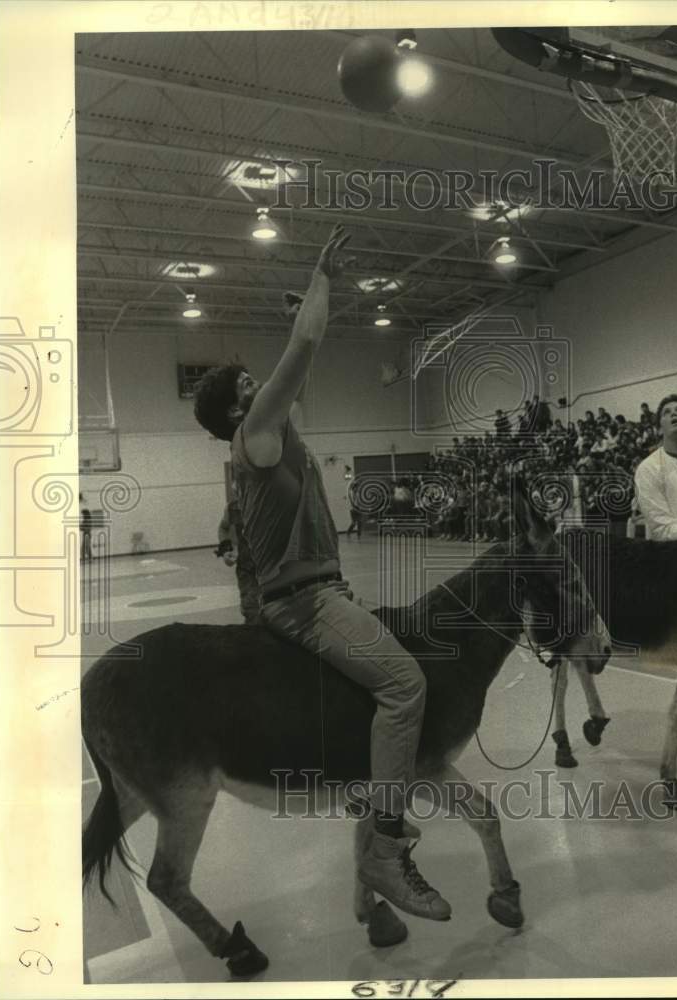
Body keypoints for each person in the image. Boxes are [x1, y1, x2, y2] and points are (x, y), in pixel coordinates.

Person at [193, 225, 450, 921]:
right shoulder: (254, 437)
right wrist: (321, 279)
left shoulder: (276, 439)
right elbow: (303, 350)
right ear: (237, 409)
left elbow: (298, 359)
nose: (264, 385)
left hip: (319, 590)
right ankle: (384, 849)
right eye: (251, 384)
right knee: (404, 685)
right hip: (301, 603)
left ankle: (369, 884)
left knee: (377, 690)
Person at [634, 394, 677, 543]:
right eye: (666, 413)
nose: (673, 413)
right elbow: (662, 530)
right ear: (660, 430)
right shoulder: (647, 470)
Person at [216, 486, 262, 626]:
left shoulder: (269, 503)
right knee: (250, 609)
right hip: (246, 566)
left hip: (271, 566)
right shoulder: (233, 507)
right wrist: (226, 550)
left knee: (276, 608)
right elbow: (223, 527)